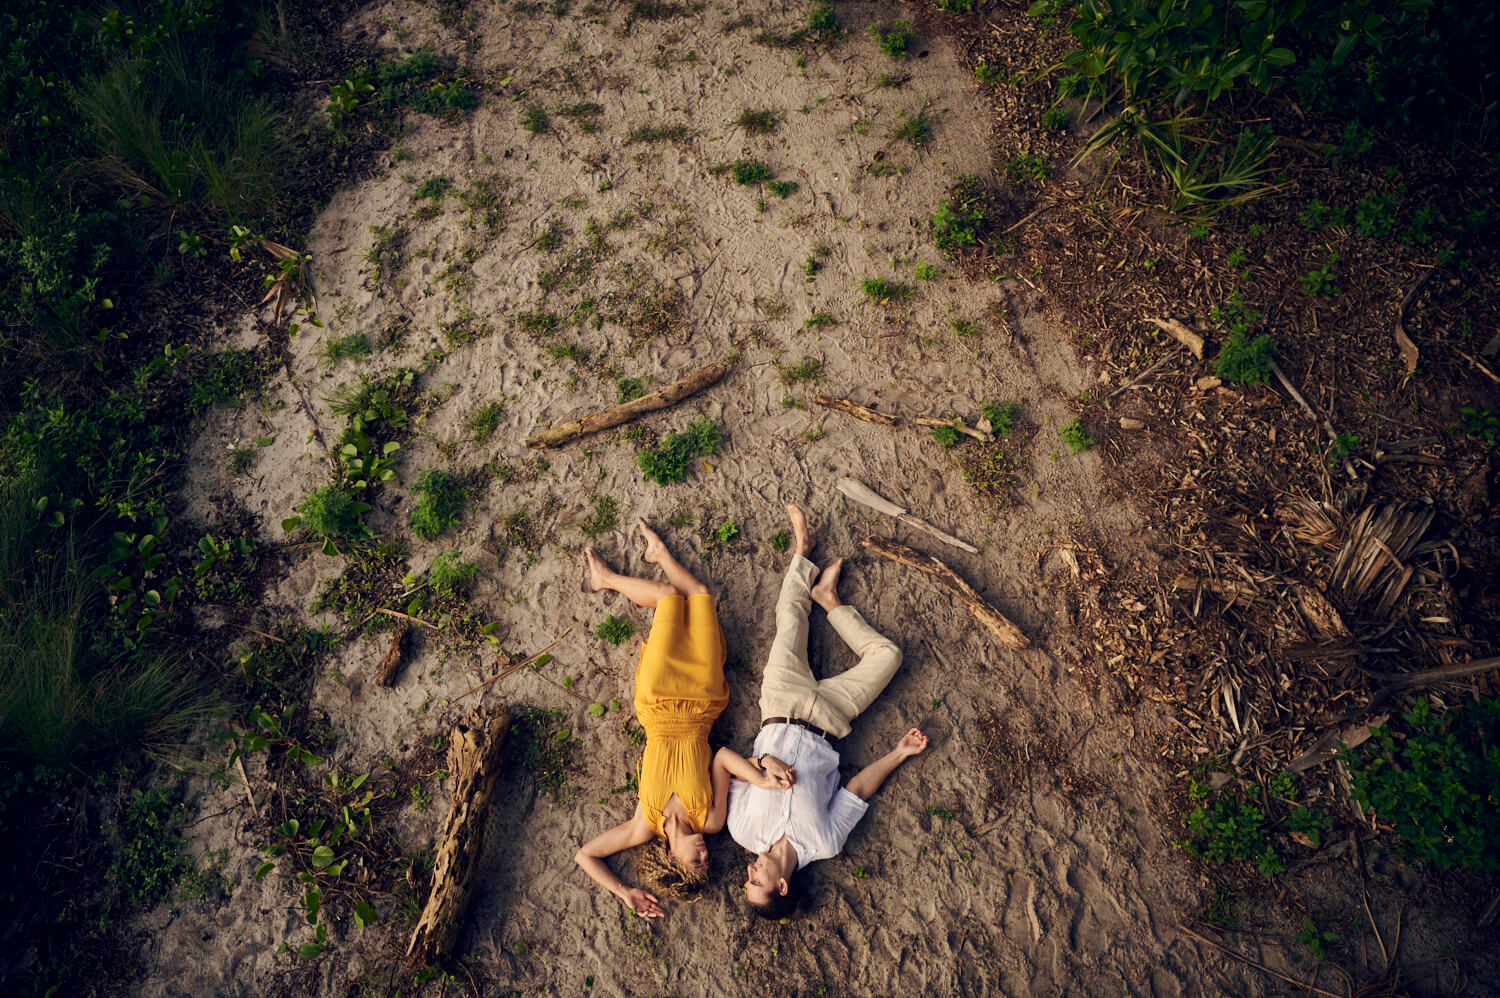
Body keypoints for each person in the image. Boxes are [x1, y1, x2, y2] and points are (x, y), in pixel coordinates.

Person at [574, 519, 790, 918]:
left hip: (657, 703)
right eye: (707, 862)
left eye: (696, 862)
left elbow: (586, 854)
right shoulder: (710, 820)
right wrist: (758, 776)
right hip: (702, 704)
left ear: (672, 858)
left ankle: (605, 579)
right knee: (702, 595)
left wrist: (624, 893)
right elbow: (723, 757)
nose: (705, 855)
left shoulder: (644, 825)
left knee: (669, 597)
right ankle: (659, 555)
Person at [727, 504, 929, 919]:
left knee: (790, 621)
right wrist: (899, 753)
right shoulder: (825, 843)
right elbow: (856, 791)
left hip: (781, 705)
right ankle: (829, 599)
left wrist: (764, 762)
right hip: (830, 721)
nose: (750, 871)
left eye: (748, 878)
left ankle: (803, 551)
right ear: (782, 885)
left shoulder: (743, 830)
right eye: (756, 881)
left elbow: (729, 764)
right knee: (888, 655)